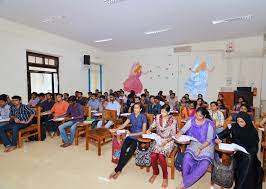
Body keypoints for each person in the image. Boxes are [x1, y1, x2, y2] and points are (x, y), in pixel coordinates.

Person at [216, 112, 262, 189]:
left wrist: (245, 149)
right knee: (245, 161)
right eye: (238, 121)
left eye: (242, 122)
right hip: (236, 152)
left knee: (249, 160)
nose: (239, 123)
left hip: (249, 153)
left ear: (247, 121)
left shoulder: (253, 131)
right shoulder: (233, 127)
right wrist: (218, 139)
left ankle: (239, 187)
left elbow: (255, 148)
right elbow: (222, 134)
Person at [176, 107, 215, 189]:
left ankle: (184, 184)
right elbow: (183, 130)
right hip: (195, 142)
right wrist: (179, 133)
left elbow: (209, 140)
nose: (197, 117)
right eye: (196, 115)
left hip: (206, 145)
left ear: (204, 116)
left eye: (200, 116)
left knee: (204, 163)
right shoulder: (191, 120)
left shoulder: (209, 123)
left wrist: (200, 149)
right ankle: (187, 181)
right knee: (187, 158)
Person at [109, 103, 147, 179]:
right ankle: (119, 169)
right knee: (123, 149)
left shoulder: (143, 117)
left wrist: (132, 134)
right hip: (130, 135)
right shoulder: (131, 115)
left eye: (137, 108)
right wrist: (115, 129)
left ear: (140, 109)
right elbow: (123, 125)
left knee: (130, 152)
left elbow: (143, 131)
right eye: (134, 108)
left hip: (138, 137)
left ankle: (117, 170)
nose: (135, 109)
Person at [147, 104, 177, 188]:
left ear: (168, 112)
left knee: (161, 156)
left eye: (164, 112)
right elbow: (153, 125)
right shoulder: (157, 117)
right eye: (161, 111)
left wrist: (166, 141)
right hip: (159, 139)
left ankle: (165, 177)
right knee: (153, 156)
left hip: (169, 140)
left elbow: (174, 135)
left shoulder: (173, 120)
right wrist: (149, 129)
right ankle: (155, 172)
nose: (162, 113)